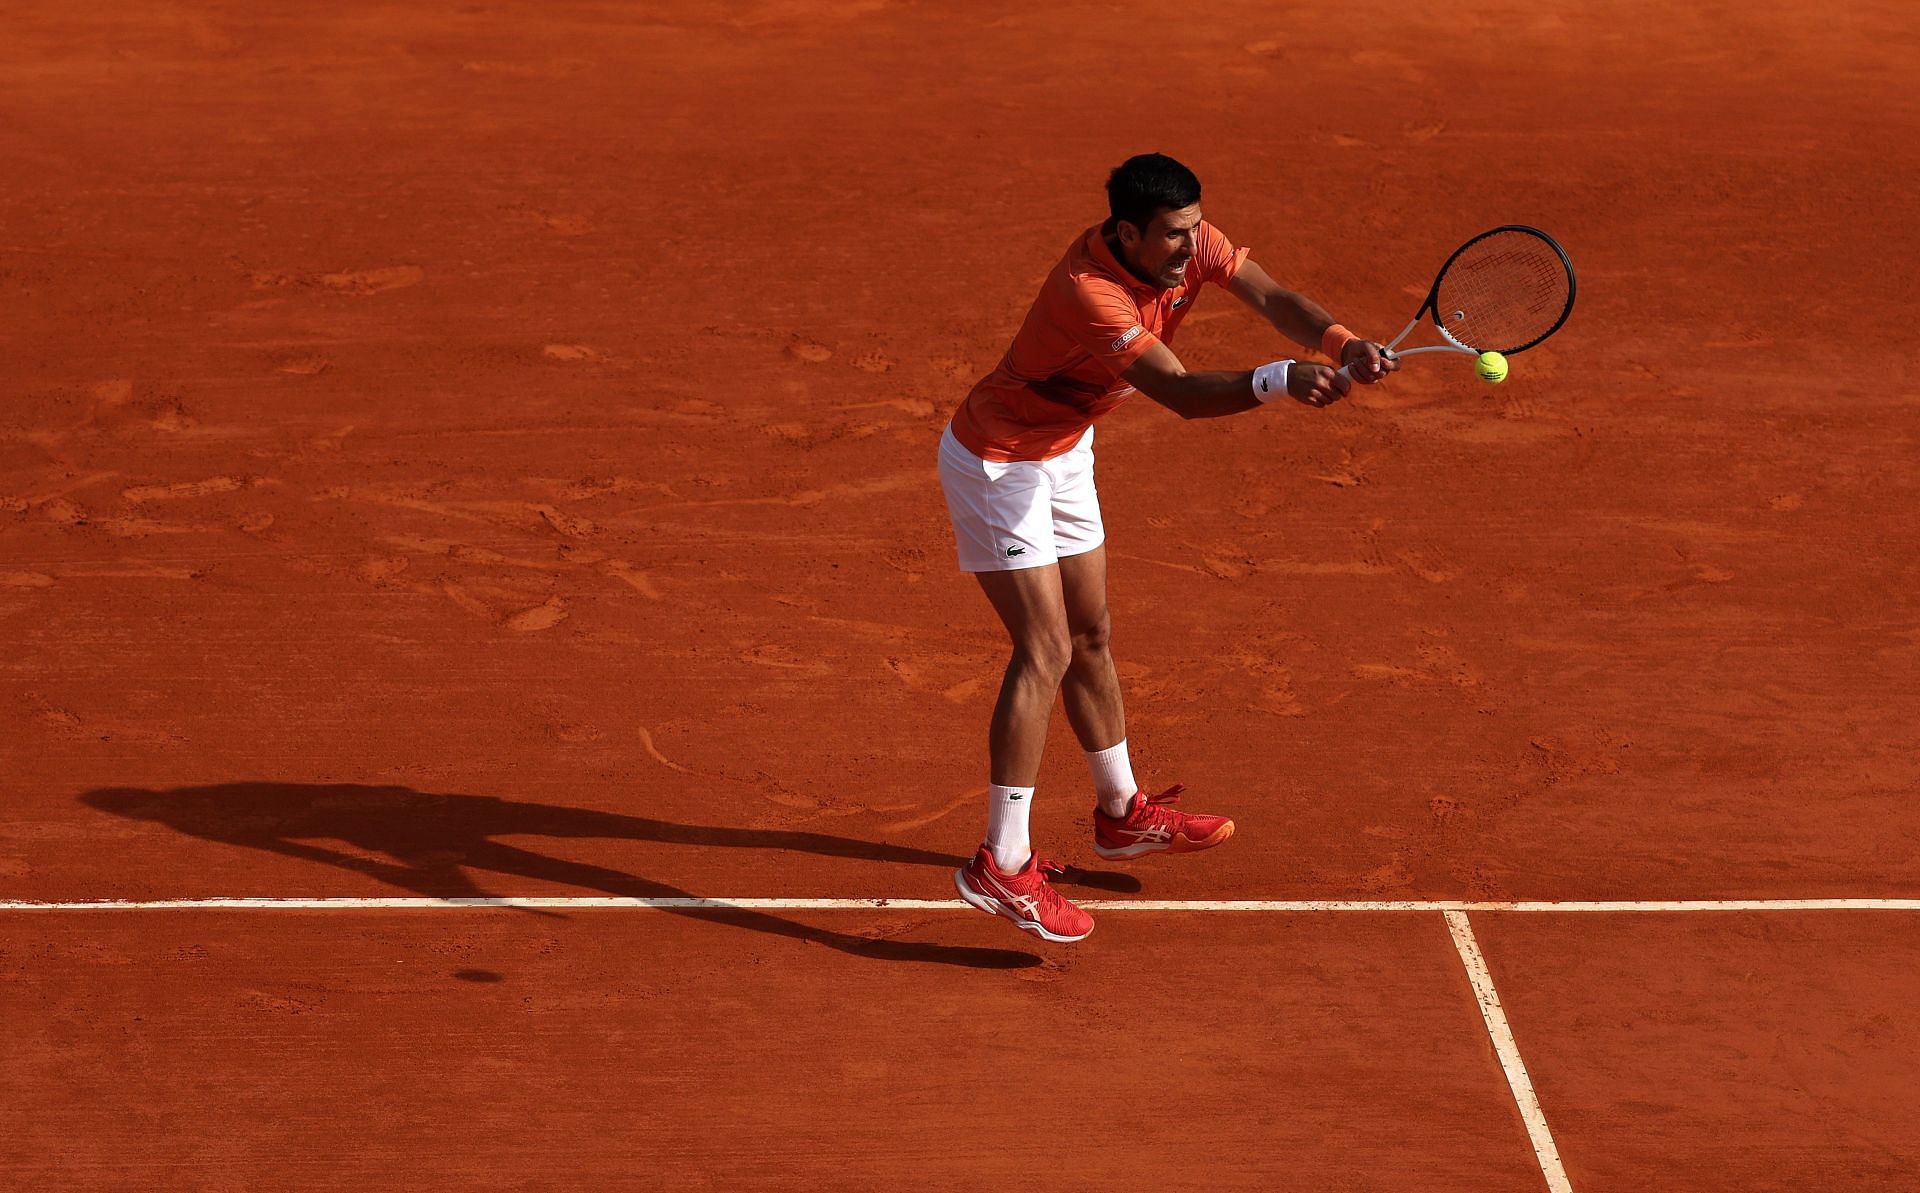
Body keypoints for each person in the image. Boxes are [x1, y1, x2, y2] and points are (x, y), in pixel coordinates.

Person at [938, 152, 1398, 942]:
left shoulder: (1188, 237)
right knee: (1044, 648)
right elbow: (1181, 393)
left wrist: (1339, 339)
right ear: (1125, 231)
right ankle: (1001, 863)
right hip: (1001, 460)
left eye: (1194, 230)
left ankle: (1121, 813)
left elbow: (1276, 297)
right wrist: (1278, 381)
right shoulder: (1092, 291)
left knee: (1091, 635)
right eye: (1174, 238)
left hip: (1064, 450)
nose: (1192, 249)